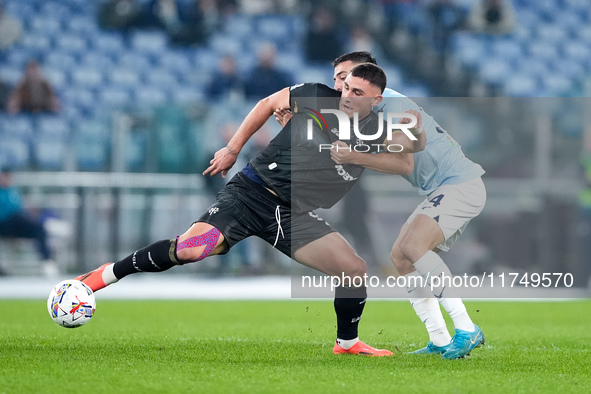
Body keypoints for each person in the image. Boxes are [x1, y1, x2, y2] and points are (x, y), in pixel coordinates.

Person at [75, 63, 425, 357]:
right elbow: (266, 103)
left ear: (377, 99)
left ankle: (347, 343)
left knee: (353, 268)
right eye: (343, 84)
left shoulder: (375, 128)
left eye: (355, 90)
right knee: (191, 249)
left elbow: (405, 164)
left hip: (290, 215)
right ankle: (104, 275)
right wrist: (231, 148)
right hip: (250, 194)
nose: (345, 93)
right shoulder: (316, 95)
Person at [325, 52, 486, 359]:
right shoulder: (369, 108)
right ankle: (439, 339)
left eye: (346, 79)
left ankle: (467, 328)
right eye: (338, 81)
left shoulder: (394, 108)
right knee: (401, 257)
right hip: (443, 188)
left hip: (460, 184)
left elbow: (405, 164)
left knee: (412, 248)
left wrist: (355, 154)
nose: (340, 87)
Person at [0, 167, 58, 276]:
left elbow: (20, 207)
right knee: (17, 217)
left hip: (17, 224)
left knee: (39, 227)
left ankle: (46, 261)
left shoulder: (13, 191)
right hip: (4, 224)